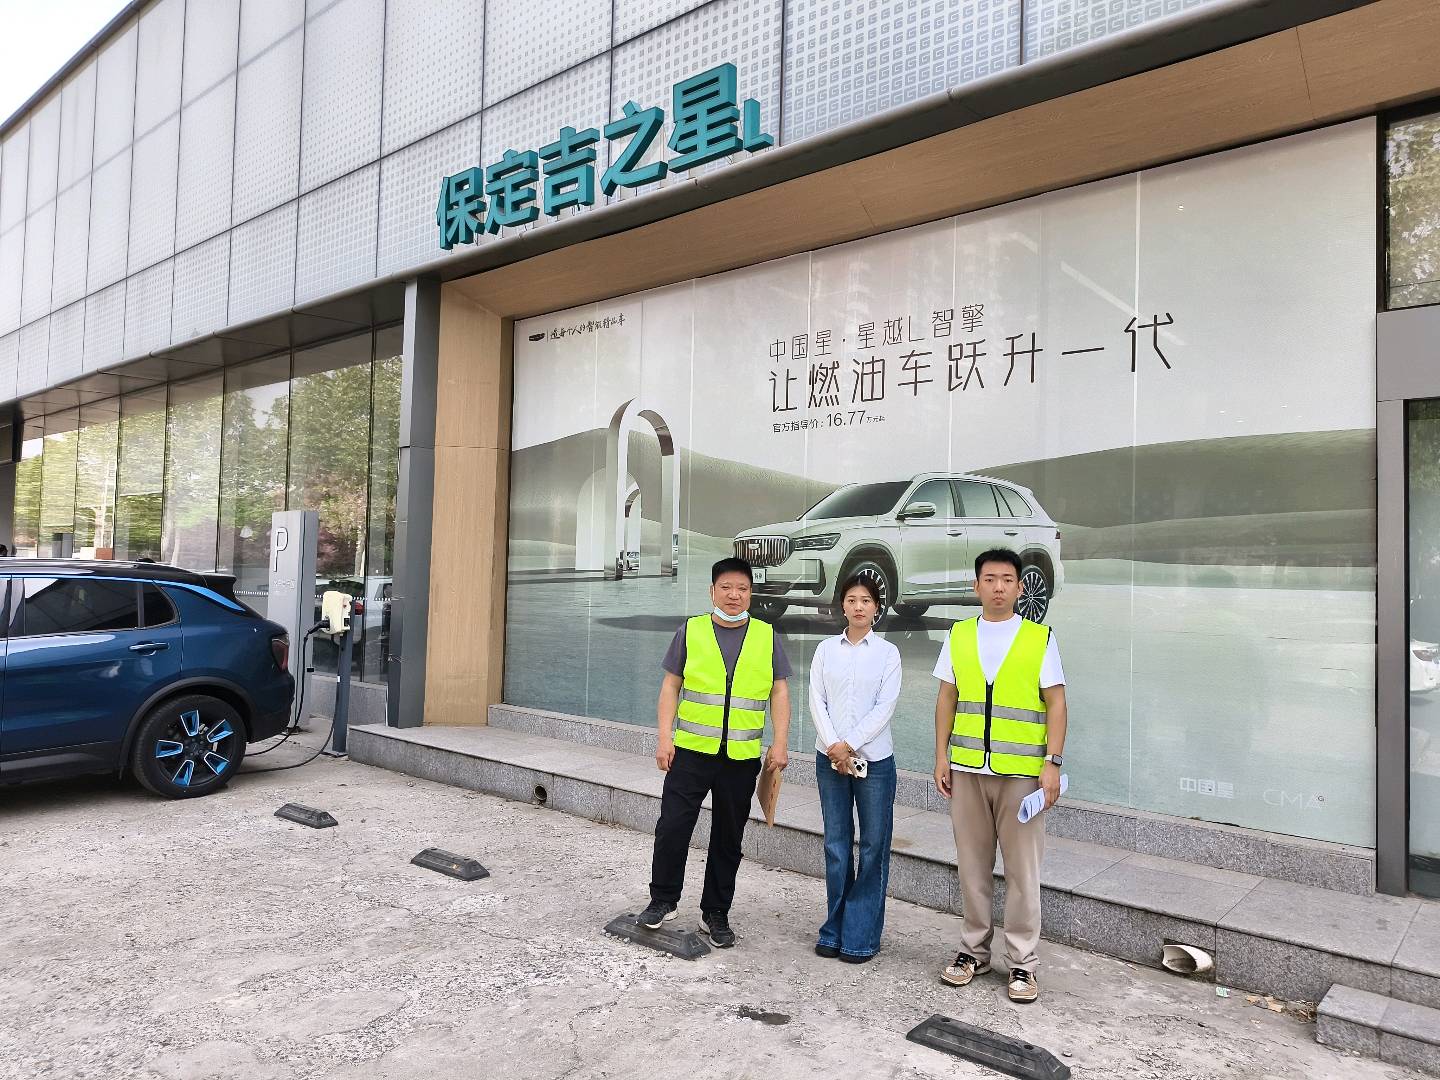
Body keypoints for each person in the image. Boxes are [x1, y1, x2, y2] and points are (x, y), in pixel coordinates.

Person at [933, 549, 1067, 1004]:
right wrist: (941, 756)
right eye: (989, 579)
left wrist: (1053, 762)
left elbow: (1056, 702)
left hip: (1022, 775)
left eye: (1007, 579)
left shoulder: (1039, 637)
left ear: (1020, 587)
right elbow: (947, 697)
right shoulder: (958, 634)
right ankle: (973, 951)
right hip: (968, 769)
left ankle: (1023, 963)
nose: (998, 587)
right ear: (976, 586)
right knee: (972, 867)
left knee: (1022, 872)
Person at [638, 557, 792, 948]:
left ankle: (715, 913)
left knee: (728, 836)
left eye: (742, 588)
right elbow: (671, 686)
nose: (734, 595)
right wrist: (664, 737)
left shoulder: (766, 636)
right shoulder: (691, 631)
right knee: (673, 826)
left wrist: (780, 742)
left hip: (741, 757)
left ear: (751, 594)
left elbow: (779, 691)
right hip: (691, 751)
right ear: (712, 591)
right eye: (726, 587)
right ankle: (663, 900)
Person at [809, 572, 901, 963]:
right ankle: (834, 929)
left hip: (873, 762)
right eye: (851, 600)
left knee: (874, 847)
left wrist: (847, 745)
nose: (858, 606)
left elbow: (884, 707)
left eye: (866, 600)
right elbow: (816, 700)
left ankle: (860, 936)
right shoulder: (825, 650)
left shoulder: (888, 654)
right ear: (842, 606)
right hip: (829, 759)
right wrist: (834, 746)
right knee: (836, 845)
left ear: (876, 608)